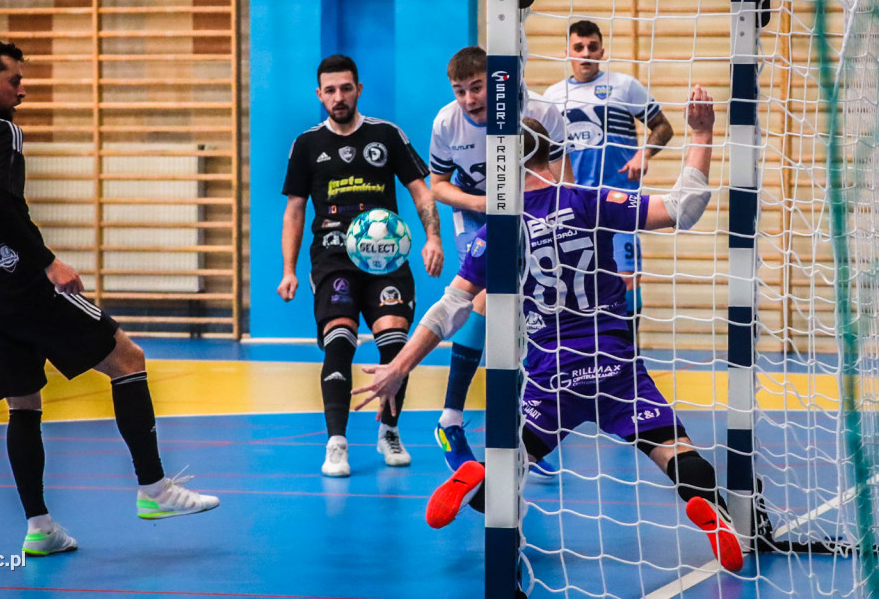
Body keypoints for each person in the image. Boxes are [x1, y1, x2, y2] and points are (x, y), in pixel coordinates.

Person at [353, 88, 744, 573]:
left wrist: (398, 366)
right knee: (672, 448)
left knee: (505, 481)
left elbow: (450, 309)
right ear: (552, 155)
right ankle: (706, 504)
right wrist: (701, 133)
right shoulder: (590, 200)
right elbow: (685, 207)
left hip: (550, 375)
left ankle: (478, 478)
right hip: (615, 367)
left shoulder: (496, 230)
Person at [0, 35, 220, 557]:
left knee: (23, 402)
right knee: (128, 358)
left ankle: (40, 527)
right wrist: (50, 263)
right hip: (20, 283)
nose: (22, 91)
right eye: (14, 80)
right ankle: (154, 489)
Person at [278, 54, 443, 478]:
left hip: (386, 257)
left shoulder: (386, 135)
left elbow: (421, 192)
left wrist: (433, 239)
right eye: (330, 90)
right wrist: (290, 269)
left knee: (394, 345)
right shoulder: (307, 144)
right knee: (340, 341)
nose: (338, 97)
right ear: (319, 95)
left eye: (345, 88)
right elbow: (295, 210)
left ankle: (388, 430)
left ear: (358, 90)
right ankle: (336, 443)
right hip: (332, 257)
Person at [429, 46, 566, 479]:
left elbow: (560, 176)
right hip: (476, 216)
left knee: (527, 314)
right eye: (460, 90)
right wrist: (479, 202)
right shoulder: (446, 122)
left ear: (499, 81)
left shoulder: (543, 111)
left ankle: (521, 430)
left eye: (477, 87)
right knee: (485, 297)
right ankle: (450, 419)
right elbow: (437, 184)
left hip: (531, 211)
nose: (469, 99)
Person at [544, 20, 674, 345]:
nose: (586, 54)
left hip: (619, 206)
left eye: (592, 47)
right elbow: (544, 153)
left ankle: (627, 358)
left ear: (602, 51)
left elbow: (663, 127)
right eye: (578, 47)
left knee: (627, 281)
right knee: (570, 285)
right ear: (567, 52)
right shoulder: (553, 96)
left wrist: (645, 153)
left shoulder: (624, 86)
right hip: (573, 207)